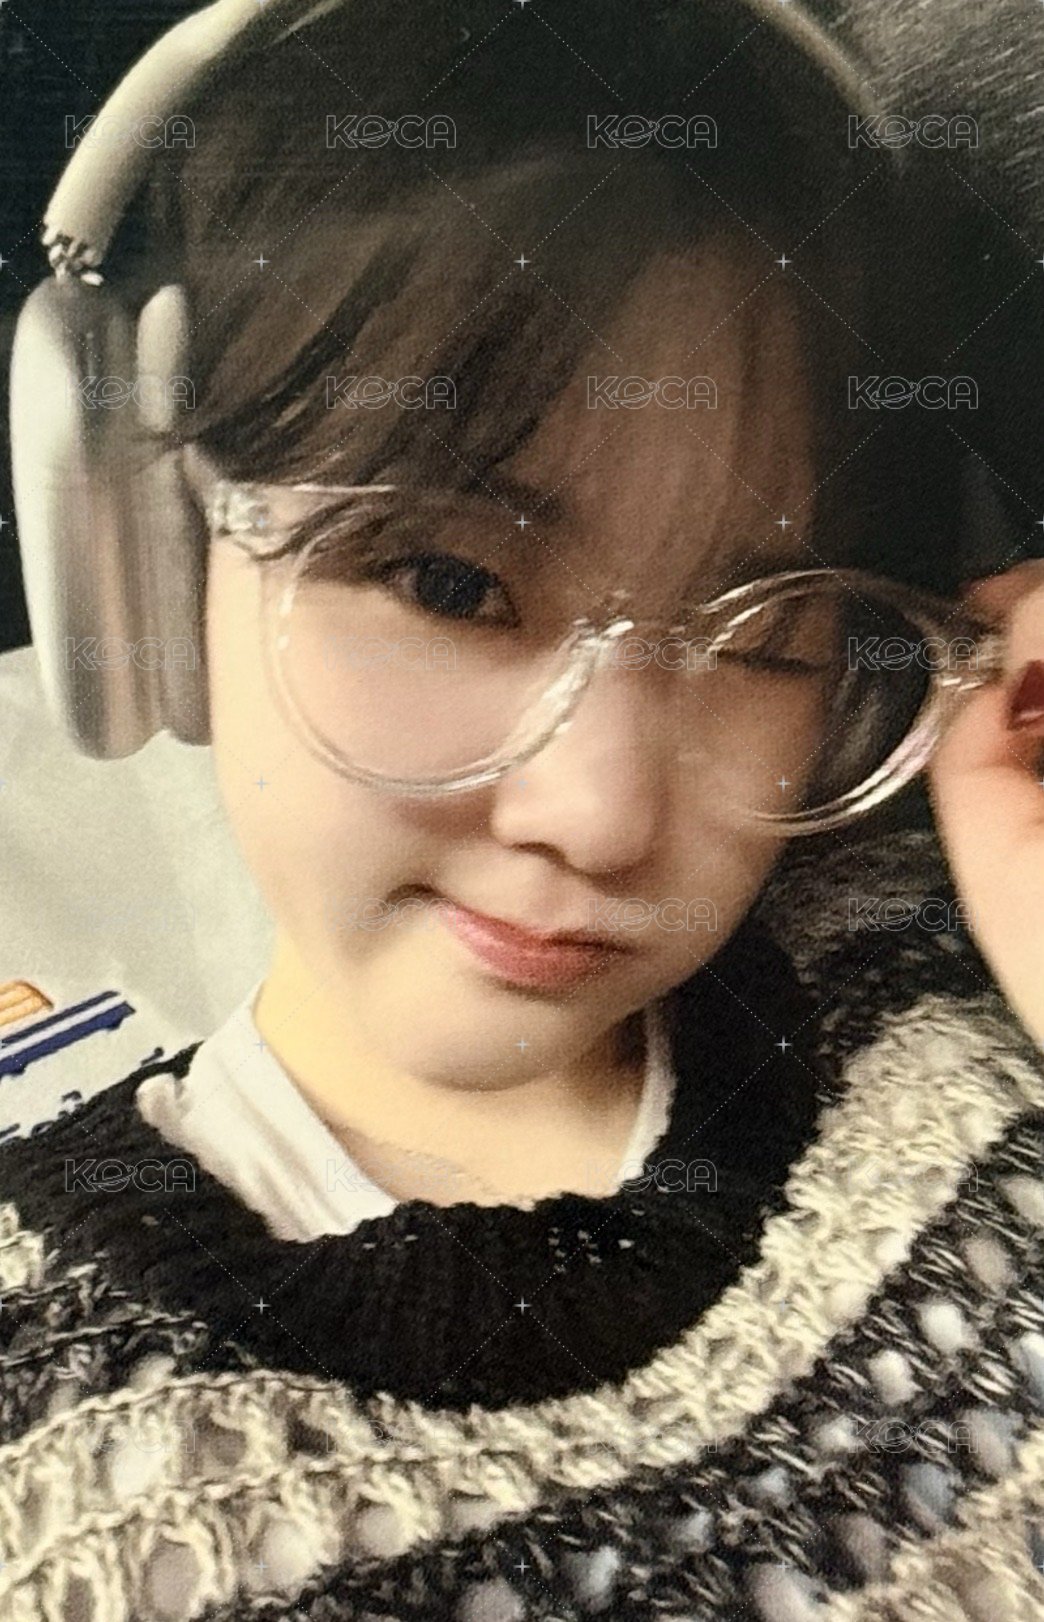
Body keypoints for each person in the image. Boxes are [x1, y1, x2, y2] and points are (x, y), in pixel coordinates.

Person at [2, 2, 1044, 1618]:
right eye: (449, 581)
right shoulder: (56, 1442)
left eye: (766, 633)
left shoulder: (951, 980)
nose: (604, 817)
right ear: (146, 556)